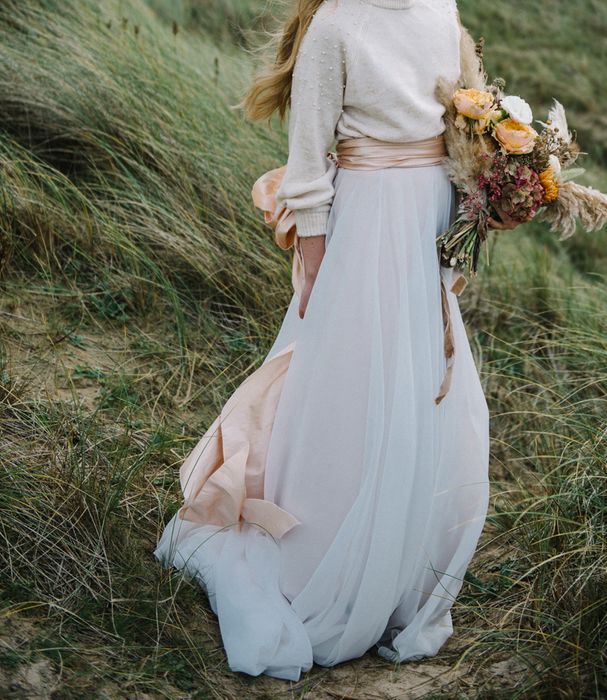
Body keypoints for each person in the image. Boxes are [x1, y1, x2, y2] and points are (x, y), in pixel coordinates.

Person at [154, 0, 520, 681]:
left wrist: (481, 196)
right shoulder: (336, 27)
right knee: (351, 378)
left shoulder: (441, 8)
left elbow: (455, 120)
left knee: (417, 380)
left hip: (427, 217)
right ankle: (324, 548)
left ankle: (400, 563)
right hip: (366, 221)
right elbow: (308, 153)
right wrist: (317, 252)